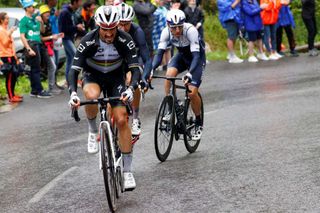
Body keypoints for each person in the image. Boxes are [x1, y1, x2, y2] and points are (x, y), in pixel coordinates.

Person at [68, 5, 141, 190]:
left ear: (117, 26)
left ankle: (127, 172)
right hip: (93, 75)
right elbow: (74, 70)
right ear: (98, 26)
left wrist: (131, 88)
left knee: (122, 119)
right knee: (91, 95)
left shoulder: (125, 39)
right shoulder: (87, 40)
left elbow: (134, 68)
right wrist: (73, 94)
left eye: (112, 29)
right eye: (105, 29)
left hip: (116, 77)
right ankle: (93, 131)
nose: (108, 34)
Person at [151, 9, 205, 140]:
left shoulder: (190, 30)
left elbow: (196, 56)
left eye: (179, 27)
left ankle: (198, 122)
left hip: (196, 59)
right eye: (173, 28)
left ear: (183, 24)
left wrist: (190, 74)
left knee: (192, 92)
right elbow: (159, 55)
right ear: (168, 25)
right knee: (169, 75)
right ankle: (171, 108)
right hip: (181, 56)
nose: (176, 31)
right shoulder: (165, 32)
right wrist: (151, 70)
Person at [117, 3, 153, 136]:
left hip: (135, 58)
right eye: (120, 24)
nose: (123, 27)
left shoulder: (137, 31)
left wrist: (144, 77)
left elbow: (147, 59)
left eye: (126, 24)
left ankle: (136, 118)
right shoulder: (111, 31)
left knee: (133, 79)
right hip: (120, 59)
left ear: (131, 21)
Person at [19, 0, 52, 98]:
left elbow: (42, 31)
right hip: (32, 44)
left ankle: (34, 90)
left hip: (38, 44)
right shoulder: (24, 20)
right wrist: (28, 49)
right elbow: (22, 36)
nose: (34, 8)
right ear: (27, 8)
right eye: (32, 7)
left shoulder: (35, 18)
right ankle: (40, 91)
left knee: (35, 68)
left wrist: (41, 22)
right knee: (36, 69)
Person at [58, 0, 85, 86]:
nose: (80, 4)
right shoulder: (65, 12)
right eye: (79, 2)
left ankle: (69, 81)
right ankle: (72, 79)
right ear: (74, 2)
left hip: (70, 37)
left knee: (70, 59)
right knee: (75, 56)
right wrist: (76, 27)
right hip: (65, 38)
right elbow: (63, 28)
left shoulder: (71, 11)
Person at [39, 5, 64, 95]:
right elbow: (41, 38)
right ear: (42, 14)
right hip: (44, 48)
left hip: (50, 46)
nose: (48, 14)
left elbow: (51, 34)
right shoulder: (40, 23)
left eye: (48, 12)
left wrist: (57, 36)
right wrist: (51, 37)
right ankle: (51, 87)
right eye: (46, 13)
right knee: (52, 67)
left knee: (53, 67)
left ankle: (51, 87)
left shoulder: (49, 22)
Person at [0, 12, 23, 103]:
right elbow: (5, 43)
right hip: (5, 56)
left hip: (11, 55)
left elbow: (12, 43)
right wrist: (9, 33)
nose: (8, 20)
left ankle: (13, 94)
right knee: (9, 77)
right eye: (6, 19)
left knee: (14, 75)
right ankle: (10, 97)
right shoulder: (1, 30)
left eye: (8, 18)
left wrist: (15, 56)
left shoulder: (7, 29)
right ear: (1, 20)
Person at [152, 0, 170, 71]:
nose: (162, 1)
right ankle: (162, 64)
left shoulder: (164, 8)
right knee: (161, 49)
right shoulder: (154, 9)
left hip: (166, 30)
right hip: (157, 31)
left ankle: (169, 65)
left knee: (168, 48)